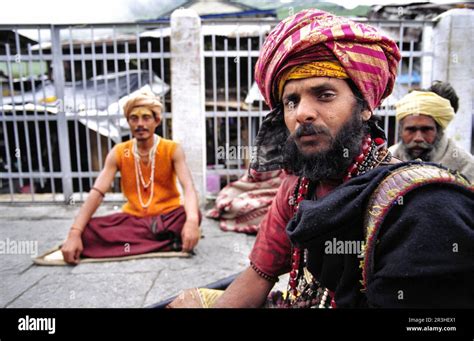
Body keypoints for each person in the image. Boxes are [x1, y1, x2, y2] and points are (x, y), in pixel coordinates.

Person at [168, 9, 473, 308]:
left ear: (365, 107)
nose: (302, 113)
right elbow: (259, 275)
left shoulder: (420, 208)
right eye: (292, 101)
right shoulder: (298, 187)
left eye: (324, 95)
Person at [61, 91, 201, 265]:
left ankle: (147, 241)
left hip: (167, 217)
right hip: (133, 220)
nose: (140, 124)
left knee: (186, 217)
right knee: (87, 231)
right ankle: (166, 242)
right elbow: (97, 193)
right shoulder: (119, 152)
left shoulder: (172, 149)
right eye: (134, 118)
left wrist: (192, 222)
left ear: (156, 121)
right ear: (128, 122)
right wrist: (75, 233)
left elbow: (188, 187)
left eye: (146, 118)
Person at [389, 82, 474, 181]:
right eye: (411, 130)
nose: (418, 138)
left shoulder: (464, 164)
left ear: (439, 131)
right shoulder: (388, 159)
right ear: (401, 131)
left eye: (426, 130)